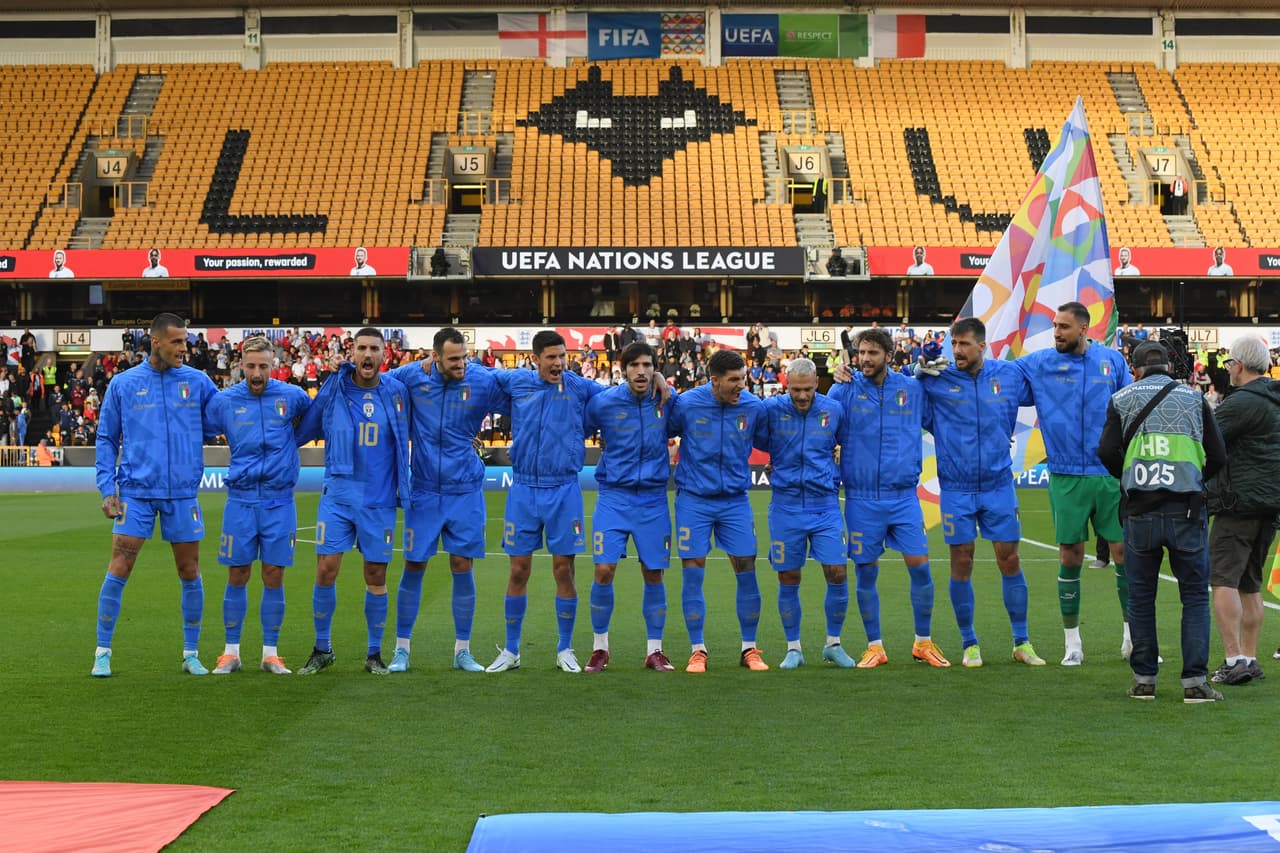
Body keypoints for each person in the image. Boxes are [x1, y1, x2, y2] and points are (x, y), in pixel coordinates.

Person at [1097, 341, 1226, 702]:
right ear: (1170, 366)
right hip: (1186, 508)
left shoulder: (1122, 399)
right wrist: (1194, 480)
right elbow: (1217, 454)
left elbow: (1106, 450)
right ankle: (1195, 683)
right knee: (1195, 596)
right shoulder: (1193, 398)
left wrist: (1129, 478)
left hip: (1140, 510)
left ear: (1134, 368)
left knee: (1141, 598)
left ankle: (1144, 680)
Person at [91, 312, 219, 677]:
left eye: (186, 341)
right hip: (136, 491)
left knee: (189, 569)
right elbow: (106, 438)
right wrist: (106, 486)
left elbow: (218, 420)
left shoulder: (198, 382)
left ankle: (191, 653)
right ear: (156, 342)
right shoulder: (124, 384)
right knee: (120, 565)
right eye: (177, 341)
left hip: (181, 492)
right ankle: (102, 652)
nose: (184, 348)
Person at [916, 318, 1046, 668]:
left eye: (964, 344)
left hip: (998, 485)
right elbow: (907, 398)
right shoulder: (937, 380)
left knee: (1010, 559)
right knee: (962, 561)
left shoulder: (1009, 375)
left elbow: (1046, 384)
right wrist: (918, 369)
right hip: (957, 489)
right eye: (953, 344)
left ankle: (1022, 642)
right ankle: (969, 643)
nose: (956, 350)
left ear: (982, 346)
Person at [1016, 301, 1132, 666]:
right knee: (1070, 555)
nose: (1056, 333)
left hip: (1110, 475)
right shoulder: (1039, 363)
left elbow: (1131, 406)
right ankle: (1073, 643)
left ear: (1084, 328)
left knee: (1124, 554)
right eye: (1054, 326)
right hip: (1066, 475)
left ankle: (1133, 637)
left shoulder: (1112, 362)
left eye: (1063, 327)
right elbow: (996, 379)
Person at [386, 328, 505, 673]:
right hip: (424, 489)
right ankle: (402, 650)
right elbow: (377, 383)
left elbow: (521, 386)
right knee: (414, 565)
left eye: (464, 356)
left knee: (462, 566)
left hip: (465, 490)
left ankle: (462, 651)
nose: (461, 364)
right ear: (434, 356)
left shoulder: (481, 379)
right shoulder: (412, 375)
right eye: (453, 359)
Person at [486, 331, 605, 674]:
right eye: (550, 357)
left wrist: (656, 377)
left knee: (563, 570)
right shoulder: (516, 382)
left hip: (563, 489)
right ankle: (511, 650)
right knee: (518, 569)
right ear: (535, 358)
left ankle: (565, 648)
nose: (557, 363)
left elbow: (618, 397)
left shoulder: (580, 387)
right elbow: (479, 377)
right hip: (523, 489)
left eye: (562, 356)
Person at [294, 328, 411, 676]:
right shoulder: (336, 388)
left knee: (375, 575)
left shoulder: (397, 392)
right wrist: (330, 376)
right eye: (361, 348)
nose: (368, 354)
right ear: (352, 353)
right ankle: (322, 648)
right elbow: (305, 430)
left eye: (374, 348)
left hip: (379, 500)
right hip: (339, 495)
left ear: (384, 355)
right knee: (326, 569)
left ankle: (374, 654)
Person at [830, 329, 948, 668]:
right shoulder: (843, 389)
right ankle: (875, 646)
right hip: (862, 498)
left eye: (872, 353)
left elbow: (942, 423)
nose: (865, 358)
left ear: (889, 354)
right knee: (866, 572)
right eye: (861, 352)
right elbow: (822, 432)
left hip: (903, 497)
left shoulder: (912, 389)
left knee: (921, 569)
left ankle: (923, 642)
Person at [204, 336, 311, 675]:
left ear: (273, 365)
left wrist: (286, 449)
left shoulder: (292, 397)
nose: (257, 372)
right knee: (238, 573)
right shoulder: (224, 402)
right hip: (241, 500)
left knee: (273, 574)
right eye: (250, 366)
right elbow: (199, 428)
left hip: (280, 501)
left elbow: (313, 423)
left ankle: (270, 653)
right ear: (240, 366)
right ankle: (231, 652)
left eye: (263, 366)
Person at [666, 349, 767, 672]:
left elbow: (774, 438)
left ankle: (750, 648)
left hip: (735, 501)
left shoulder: (753, 407)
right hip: (694, 500)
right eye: (734, 380)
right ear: (715, 381)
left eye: (744, 378)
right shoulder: (687, 404)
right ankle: (698, 649)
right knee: (693, 572)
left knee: (747, 569)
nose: (741, 386)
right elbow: (659, 430)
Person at [582, 341, 677, 672]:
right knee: (604, 570)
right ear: (623, 370)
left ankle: (654, 650)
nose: (641, 371)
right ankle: (599, 648)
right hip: (614, 497)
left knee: (654, 572)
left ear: (655, 369)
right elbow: (580, 427)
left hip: (652, 499)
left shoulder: (667, 401)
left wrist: (665, 383)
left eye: (647, 365)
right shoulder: (603, 403)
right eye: (634, 365)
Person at [754, 358, 853, 669]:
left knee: (837, 572)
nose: (801, 396)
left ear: (816, 385)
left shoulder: (833, 410)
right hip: (786, 505)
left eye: (808, 389)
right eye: (795, 390)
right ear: (786, 386)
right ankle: (793, 648)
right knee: (789, 576)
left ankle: (833, 644)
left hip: (825, 504)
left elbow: (847, 444)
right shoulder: (770, 410)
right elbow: (756, 439)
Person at [1205, 336, 1280, 685]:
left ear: (1239, 364)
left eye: (1229, 363)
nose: (1227, 368)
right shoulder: (1273, 398)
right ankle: (1249, 658)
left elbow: (1209, 439)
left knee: (1223, 579)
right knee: (1251, 583)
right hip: (1269, 502)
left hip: (1239, 503)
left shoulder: (1243, 402)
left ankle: (1234, 658)